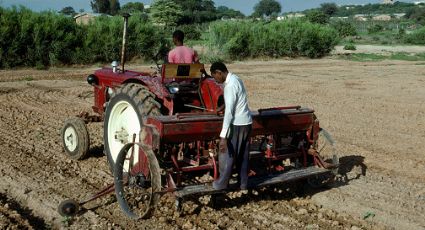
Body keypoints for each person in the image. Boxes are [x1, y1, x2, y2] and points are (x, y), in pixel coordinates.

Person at [210, 62, 252, 190]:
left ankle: (221, 184)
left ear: (219, 72)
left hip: (237, 124)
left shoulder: (229, 86)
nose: (215, 80)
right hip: (247, 122)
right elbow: (238, 99)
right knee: (243, 156)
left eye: (215, 76)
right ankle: (243, 183)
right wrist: (222, 106)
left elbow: (229, 113)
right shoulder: (236, 79)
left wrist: (223, 136)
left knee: (227, 154)